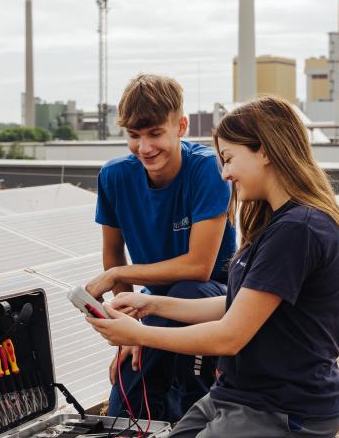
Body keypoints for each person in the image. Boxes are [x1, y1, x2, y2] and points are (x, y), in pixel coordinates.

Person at [87, 96, 339, 437]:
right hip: (240, 396)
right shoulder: (278, 223)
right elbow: (236, 306)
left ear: (264, 151)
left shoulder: (299, 230)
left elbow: (230, 336)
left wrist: (139, 334)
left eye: (230, 159)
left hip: (283, 409)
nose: (225, 173)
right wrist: (151, 304)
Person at [85, 73, 237, 423]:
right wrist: (128, 325)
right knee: (132, 380)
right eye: (134, 136)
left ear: (181, 126)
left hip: (212, 298)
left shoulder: (207, 170)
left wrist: (119, 275)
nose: (144, 147)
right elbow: (113, 252)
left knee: (186, 296)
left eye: (155, 134)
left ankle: (197, 419)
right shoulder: (114, 177)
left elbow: (199, 267)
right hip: (152, 305)